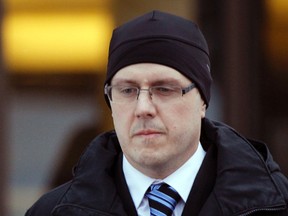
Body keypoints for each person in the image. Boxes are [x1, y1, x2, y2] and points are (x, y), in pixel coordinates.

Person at [25, 10, 288, 216]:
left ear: (202, 102)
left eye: (164, 89)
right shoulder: (52, 212)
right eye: (127, 91)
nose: (143, 109)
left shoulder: (274, 206)